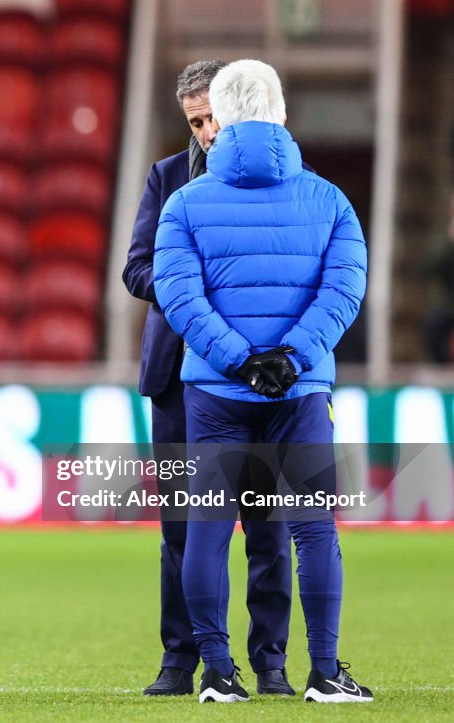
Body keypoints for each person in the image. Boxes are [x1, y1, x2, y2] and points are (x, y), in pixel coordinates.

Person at [154, 59, 371, 703]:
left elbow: (177, 294)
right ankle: (325, 672)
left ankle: (217, 672)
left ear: (218, 117)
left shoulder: (186, 202)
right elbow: (345, 288)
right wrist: (291, 358)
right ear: (281, 111)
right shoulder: (328, 199)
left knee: (208, 531)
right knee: (314, 532)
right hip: (299, 396)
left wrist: (238, 360)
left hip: (216, 392)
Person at [122, 60, 295, 697]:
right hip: (178, 378)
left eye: (214, 119)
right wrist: (188, 287)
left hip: (266, 376)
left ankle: (271, 661)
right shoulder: (166, 178)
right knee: (180, 528)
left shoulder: (283, 186)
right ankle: (180, 659)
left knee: (267, 524)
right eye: (196, 122)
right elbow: (137, 269)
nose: (206, 134)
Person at [421, 192, 454, 362]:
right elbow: (427, 267)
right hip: (449, 306)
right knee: (435, 320)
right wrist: (450, 241)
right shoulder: (445, 238)